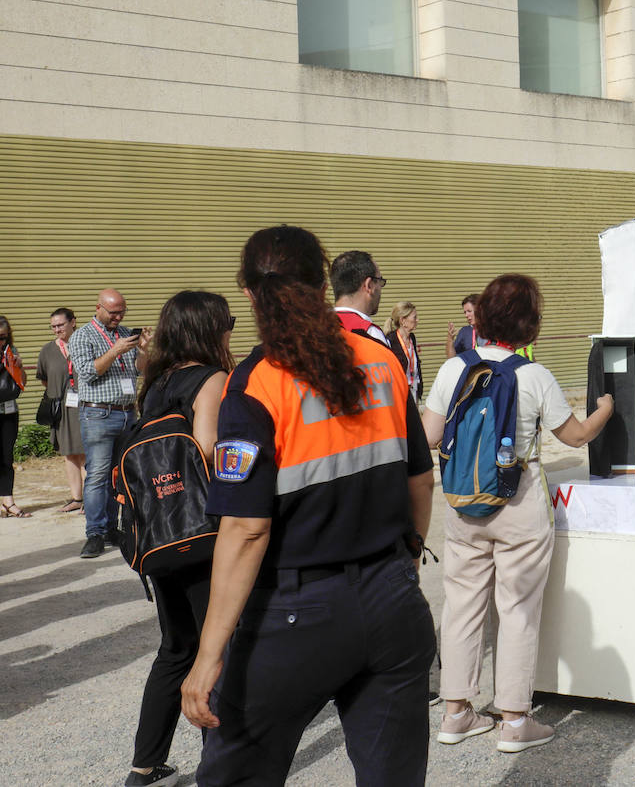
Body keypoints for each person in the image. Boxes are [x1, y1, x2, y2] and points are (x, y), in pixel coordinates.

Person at [180, 226, 436, 786]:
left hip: (296, 613)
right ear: (324, 286)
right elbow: (421, 479)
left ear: (249, 295)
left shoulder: (255, 386)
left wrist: (208, 656)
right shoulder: (382, 360)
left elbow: (247, 530)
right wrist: (407, 562)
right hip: (391, 596)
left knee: (236, 773)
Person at [422, 273, 613, 752]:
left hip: (464, 501)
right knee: (517, 609)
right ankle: (513, 720)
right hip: (519, 497)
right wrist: (604, 409)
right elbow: (573, 438)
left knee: (462, 605)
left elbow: (426, 435)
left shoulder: (454, 369)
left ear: (481, 316)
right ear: (530, 324)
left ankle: (456, 713)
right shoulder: (535, 375)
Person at [123, 291, 234, 787]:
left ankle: (143, 768)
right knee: (220, 647)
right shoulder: (211, 379)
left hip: (159, 539)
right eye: (227, 321)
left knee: (176, 648)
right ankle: (219, 765)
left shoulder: (155, 385)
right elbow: (209, 450)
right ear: (209, 330)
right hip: (205, 534)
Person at [69, 289, 149, 556]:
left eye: (122, 311)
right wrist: (115, 350)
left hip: (127, 412)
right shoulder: (82, 335)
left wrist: (145, 350)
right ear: (99, 308)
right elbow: (87, 372)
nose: (119, 316)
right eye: (114, 312)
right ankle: (94, 532)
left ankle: (113, 527)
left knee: (119, 475)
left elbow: (140, 369)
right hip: (99, 415)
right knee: (98, 476)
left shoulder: (125, 332)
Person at [36, 307, 86, 512]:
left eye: (60, 325)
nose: (57, 330)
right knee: (68, 454)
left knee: (85, 454)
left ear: (73, 322)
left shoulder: (85, 344)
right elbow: (45, 380)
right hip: (61, 409)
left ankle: (91, 499)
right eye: (53, 326)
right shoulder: (47, 351)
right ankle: (77, 499)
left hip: (85, 407)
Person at [1, 316, 31, 518]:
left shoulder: (12, 352)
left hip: (9, 410)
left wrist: (17, 366)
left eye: (3, 337)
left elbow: (23, 383)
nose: (0, 342)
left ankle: (8, 501)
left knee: (6, 457)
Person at [331, 249, 390, 347]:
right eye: (380, 281)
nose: (380, 288)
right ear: (369, 285)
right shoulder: (371, 334)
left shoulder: (314, 327)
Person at [385, 300, 423, 404]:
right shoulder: (390, 340)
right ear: (403, 321)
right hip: (399, 394)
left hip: (413, 391)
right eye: (414, 317)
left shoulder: (412, 338)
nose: (417, 320)